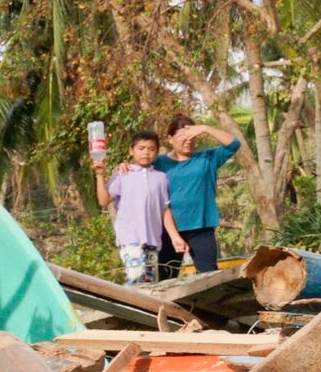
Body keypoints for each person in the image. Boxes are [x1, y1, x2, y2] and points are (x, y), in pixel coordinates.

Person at [156, 118, 242, 271]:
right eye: (183, 136)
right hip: (169, 230)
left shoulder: (207, 158)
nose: (189, 141)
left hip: (201, 228)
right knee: (165, 277)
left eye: (192, 137)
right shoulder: (159, 163)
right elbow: (138, 168)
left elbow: (234, 144)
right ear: (170, 139)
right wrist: (123, 166)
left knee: (209, 274)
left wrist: (205, 128)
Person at [97, 127, 176, 282]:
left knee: (148, 281)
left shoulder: (161, 178)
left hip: (153, 239)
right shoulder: (123, 173)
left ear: (157, 151)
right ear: (131, 150)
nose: (146, 153)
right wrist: (99, 174)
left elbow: (164, 209)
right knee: (135, 276)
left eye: (151, 149)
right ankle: (123, 304)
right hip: (130, 237)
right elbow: (103, 200)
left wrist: (174, 237)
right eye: (141, 148)